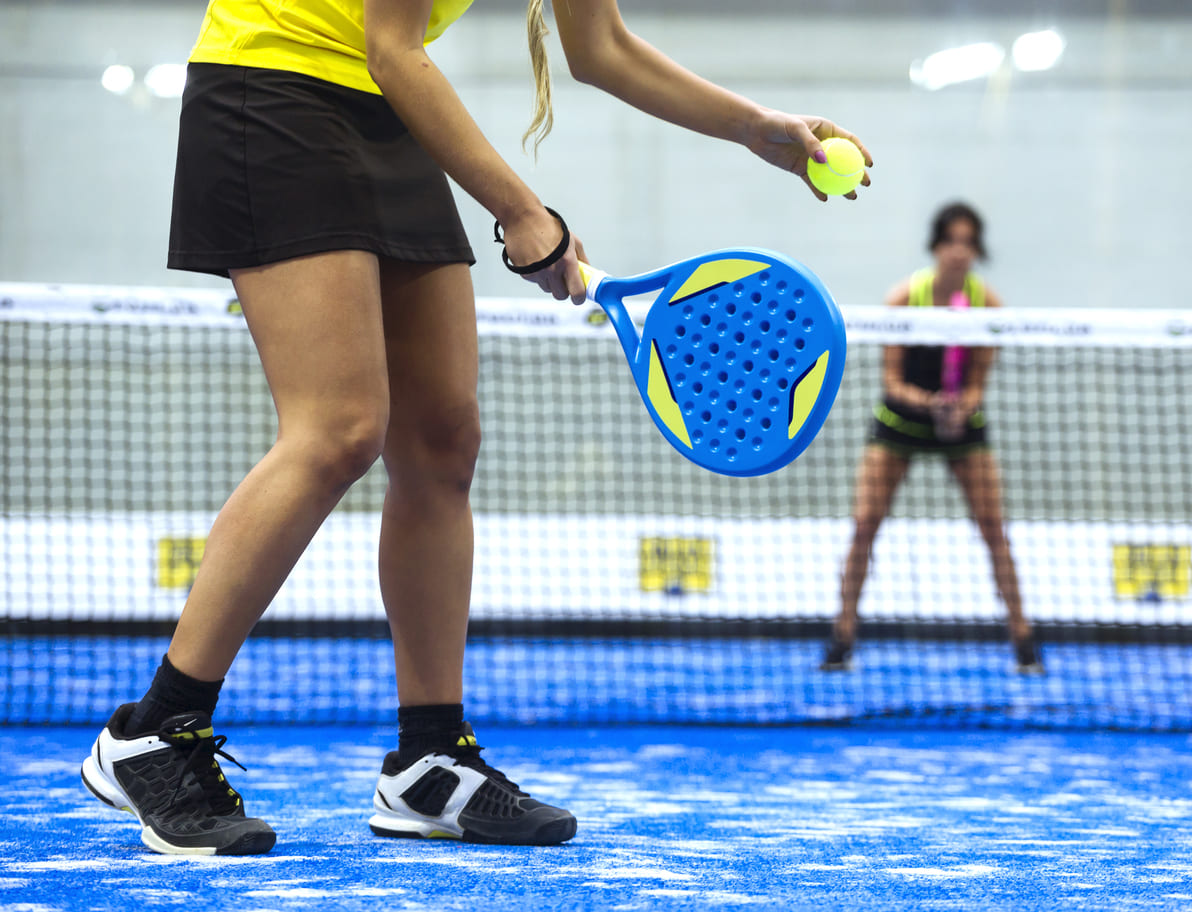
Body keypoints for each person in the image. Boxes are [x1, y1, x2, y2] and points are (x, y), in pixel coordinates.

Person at [79, 0, 871, 856]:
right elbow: (392, 46)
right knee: (340, 428)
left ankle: (429, 762)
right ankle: (155, 731)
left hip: (388, 111)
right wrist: (524, 210)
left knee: (441, 444)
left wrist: (757, 127)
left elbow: (601, 48)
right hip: (273, 91)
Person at [820, 202, 1043, 676]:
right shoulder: (904, 299)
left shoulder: (987, 305)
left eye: (968, 243)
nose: (959, 252)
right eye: (951, 241)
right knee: (864, 526)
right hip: (901, 421)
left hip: (963, 426)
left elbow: (980, 379)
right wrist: (929, 404)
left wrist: (963, 407)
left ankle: (1024, 643)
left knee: (993, 530)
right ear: (936, 246)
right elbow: (892, 381)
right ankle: (841, 638)